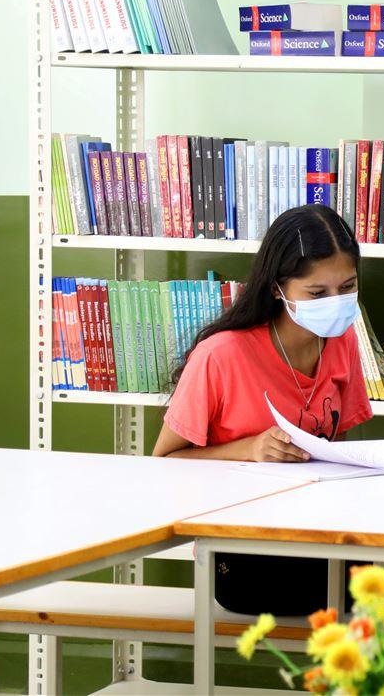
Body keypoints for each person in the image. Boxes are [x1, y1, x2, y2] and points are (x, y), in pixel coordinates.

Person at [153, 204, 371, 615]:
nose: (337, 302)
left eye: (348, 286)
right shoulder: (221, 356)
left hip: (319, 534)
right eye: (318, 293)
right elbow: (164, 461)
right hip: (244, 554)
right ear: (277, 289)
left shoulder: (342, 342)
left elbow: (335, 455)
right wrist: (249, 449)